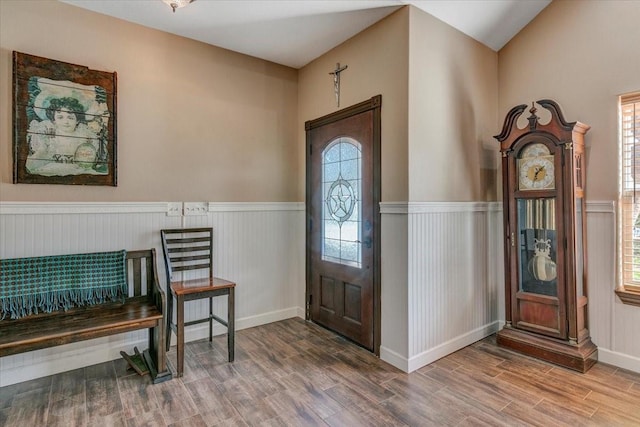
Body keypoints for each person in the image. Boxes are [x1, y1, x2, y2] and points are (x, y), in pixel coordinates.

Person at [26, 97, 101, 176]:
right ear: (54, 120)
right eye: (60, 117)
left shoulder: (83, 135)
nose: (66, 122)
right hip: (53, 168)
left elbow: (89, 158)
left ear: (77, 120)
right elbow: (40, 155)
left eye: (70, 118)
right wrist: (43, 148)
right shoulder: (51, 137)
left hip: (78, 170)